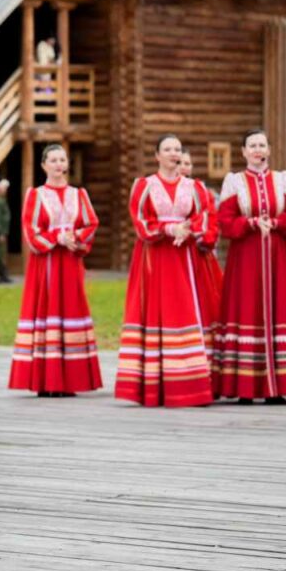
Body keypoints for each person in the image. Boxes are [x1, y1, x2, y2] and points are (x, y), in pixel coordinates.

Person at [214, 129, 286, 403]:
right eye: (252, 146)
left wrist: (273, 223)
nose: (257, 150)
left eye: (262, 145)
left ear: (269, 150)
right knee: (246, 310)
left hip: (277, 255)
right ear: (243, 152)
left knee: (278, 310)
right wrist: (248, 223)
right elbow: (224, 221)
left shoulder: (282, 179)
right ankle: (245, 389)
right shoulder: (234, 182)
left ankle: (277, 388)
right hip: (245, 257)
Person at [114, 135, 216, 407]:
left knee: (185, 310)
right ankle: (153, 384)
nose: (174, 154)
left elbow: (203, 215)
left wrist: (189, 230)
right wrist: (169, 229)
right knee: (157, 310)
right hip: (155, 256)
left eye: (177, 149)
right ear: (157, 156)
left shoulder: (194, 187)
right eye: (168, 150)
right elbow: (140, 223)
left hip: (183, 256)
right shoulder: (144, 186)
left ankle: (188, 383)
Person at [11, 143, 102, 397]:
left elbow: (91, 223)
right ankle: (45, 380)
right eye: (53, 160)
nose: (59, 164)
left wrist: (75, 237)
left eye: (62, 160)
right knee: (47, 310)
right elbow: (31, 232)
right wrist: (58, 237)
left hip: (70, 263)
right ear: (43, 165)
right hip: (46, 265)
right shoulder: (36, 195)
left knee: (70, 310)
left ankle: (69, 380)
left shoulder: (78, 194)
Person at [179, 149, 222, 358]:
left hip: (199, 255)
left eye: (187, 163)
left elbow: (211, 217)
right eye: (180, 163)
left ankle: (207, 355)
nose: (184, 167)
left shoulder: (201, 190)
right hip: (177, 254)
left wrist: (206, 237)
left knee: (205, 303)